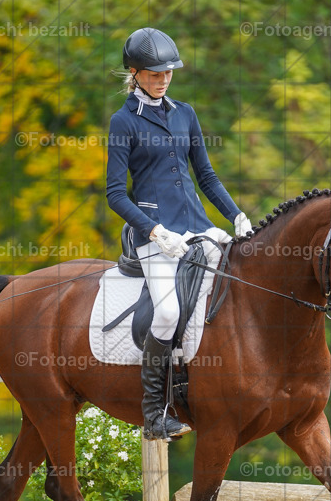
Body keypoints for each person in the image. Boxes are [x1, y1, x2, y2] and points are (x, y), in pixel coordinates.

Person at [106, 27, 252, 441]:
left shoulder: (185, 113)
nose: (163, 79)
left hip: (198, 226)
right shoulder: (123, 121)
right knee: (168, 312)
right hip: (155, 235)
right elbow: (115, 193)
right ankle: (154, 413)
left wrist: (236, 215)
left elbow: (205, 176)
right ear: (135, 73)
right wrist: (153, 230)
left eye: (168, 72)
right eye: (155, 74)